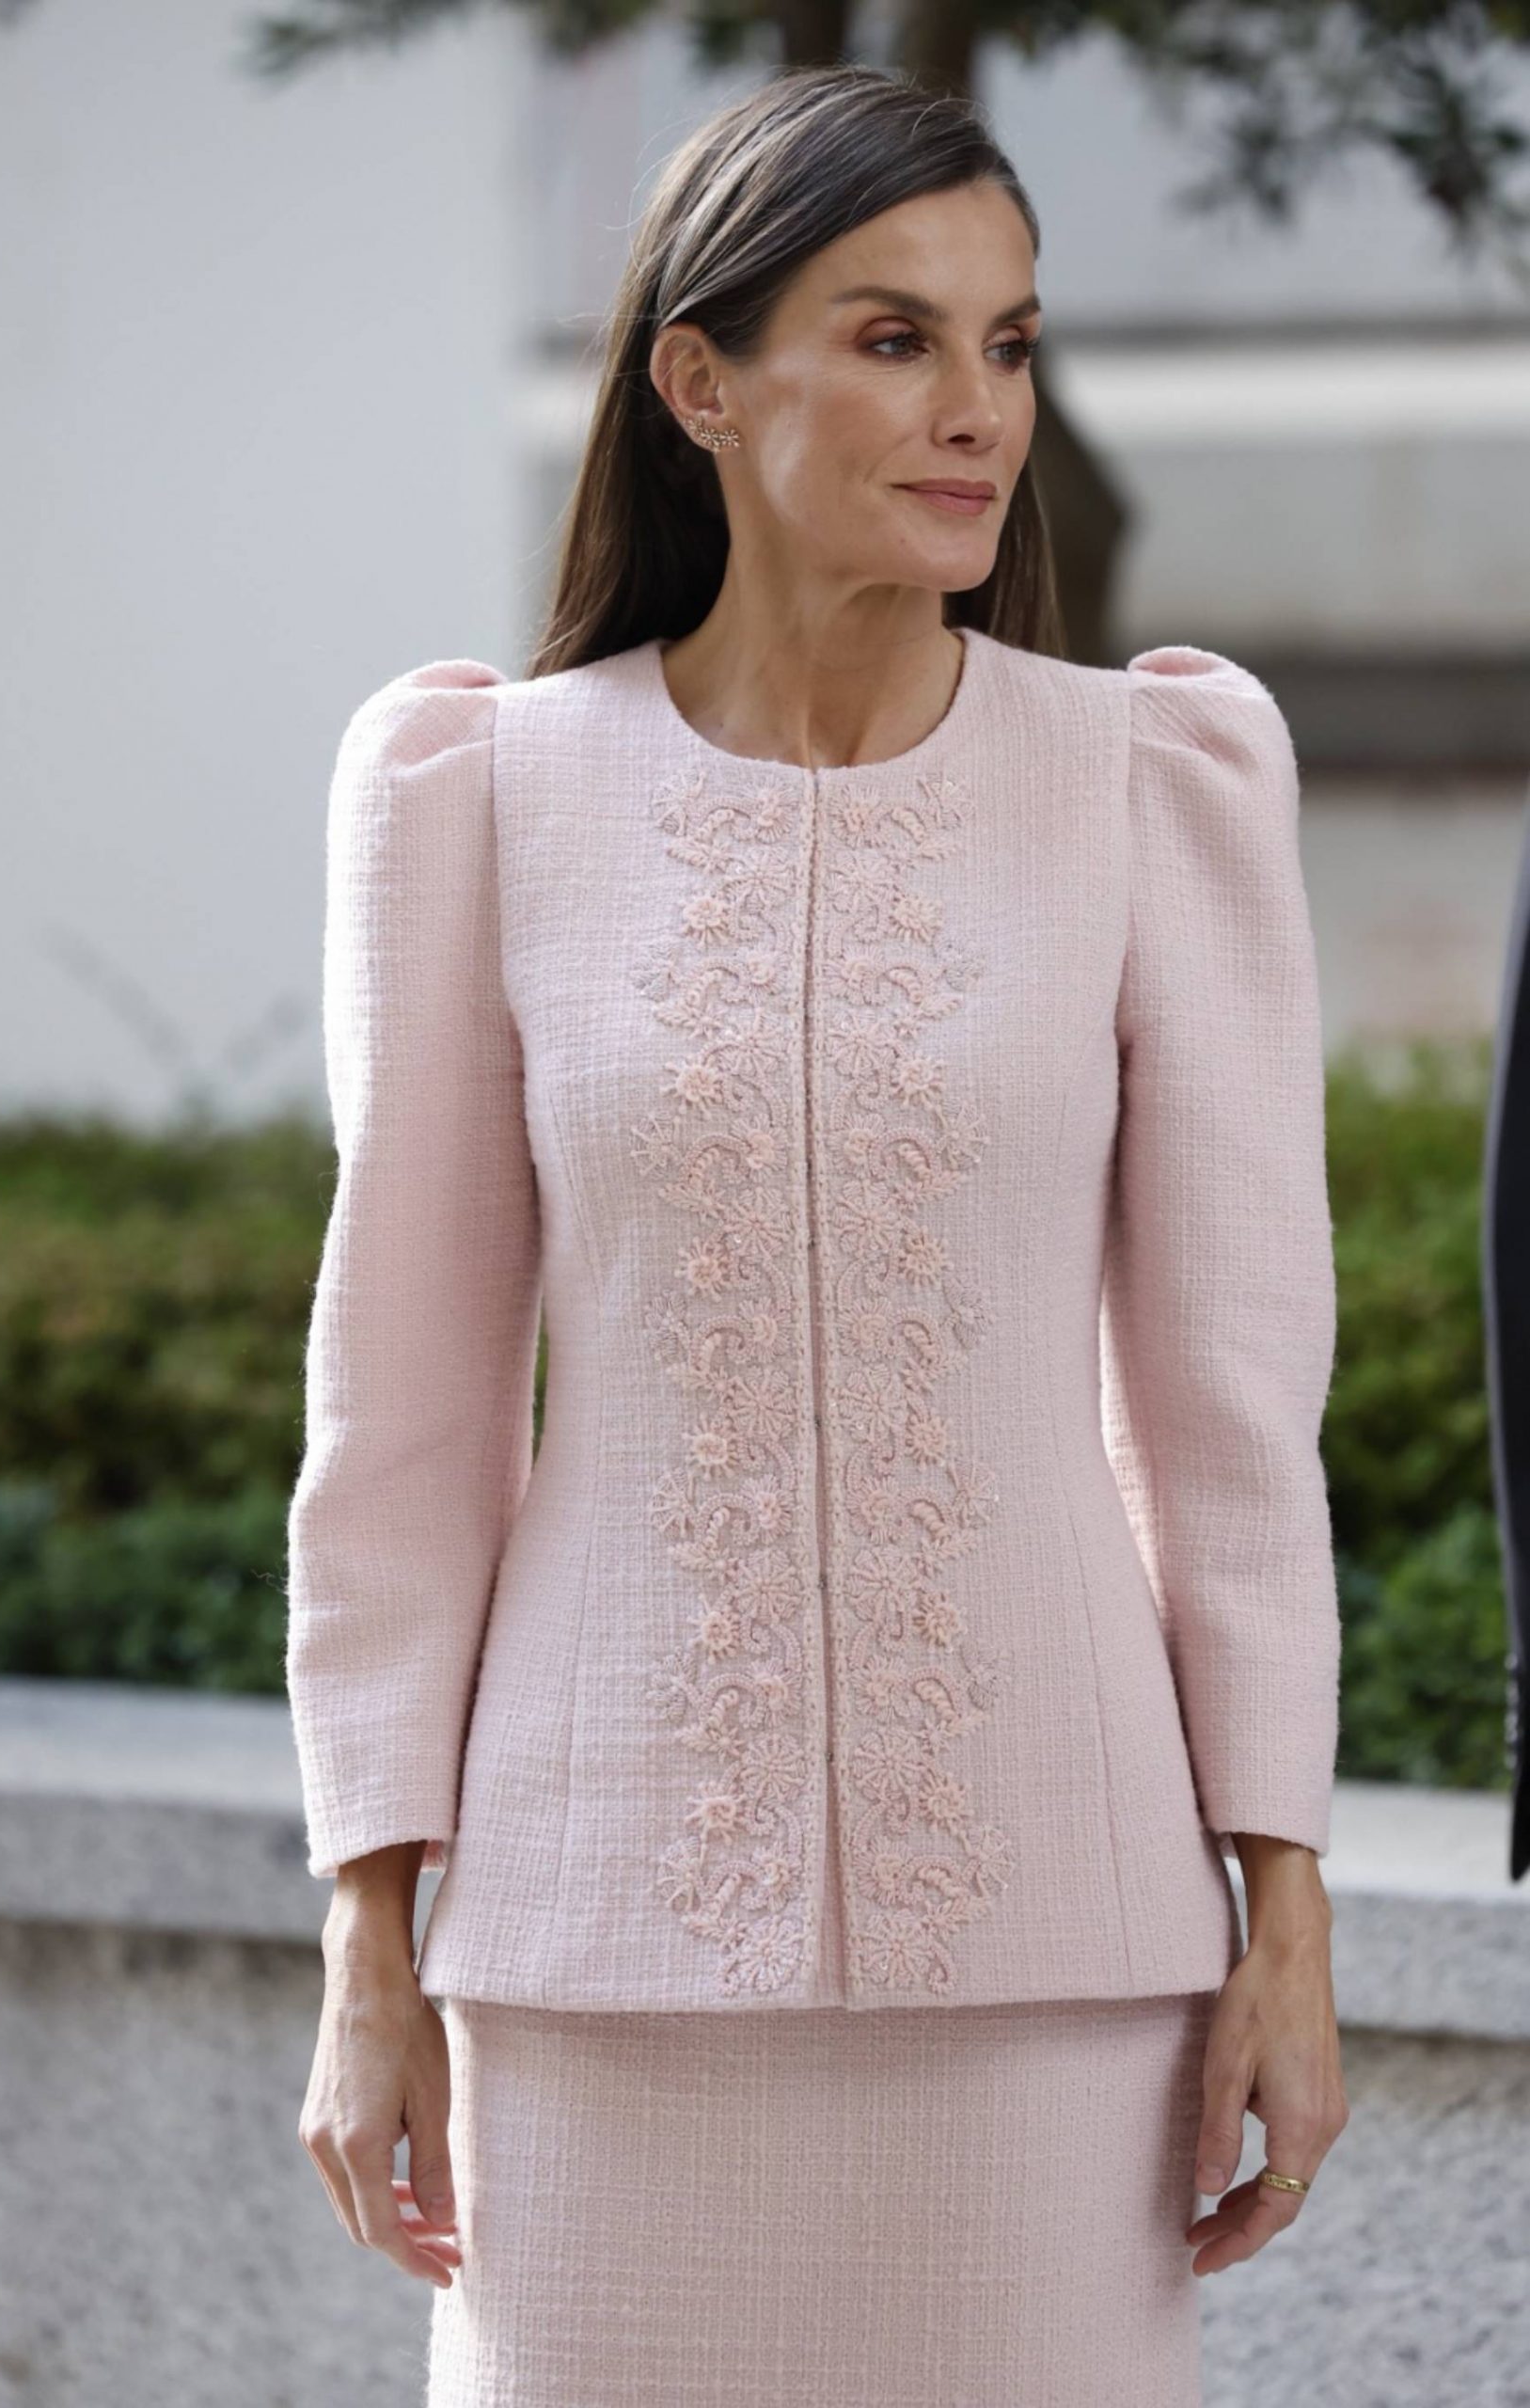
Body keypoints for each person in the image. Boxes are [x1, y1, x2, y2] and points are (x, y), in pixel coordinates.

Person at [285, 62, 1349, 2408]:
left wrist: (1284, 1900)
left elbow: (1228, 1406)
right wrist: (373, 1936)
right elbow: (407, 1410)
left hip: (1059, 1983)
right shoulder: (482, 795)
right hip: (588, 1976)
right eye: (893, 339)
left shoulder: (1149, 783)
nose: (977, 411)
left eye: (1011, 342)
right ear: (697, 380)